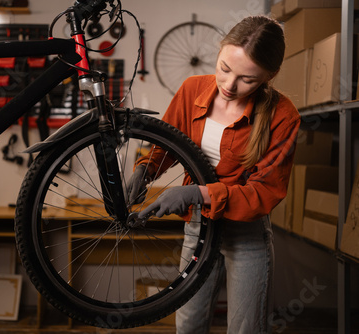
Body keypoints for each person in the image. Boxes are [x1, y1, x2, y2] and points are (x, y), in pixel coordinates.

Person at [129, 15, 301, 333]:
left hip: (247, 237)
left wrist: (198, 193)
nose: (229, 85)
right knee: (189, 324)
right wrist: (145, 170)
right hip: (198, 230)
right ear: (219, 51)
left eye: (247, 79)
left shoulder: (283, 116)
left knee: (245, 328)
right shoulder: (192, 89)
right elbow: (167, 142)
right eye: (224, 68)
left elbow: (263, 192)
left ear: (270, 75)